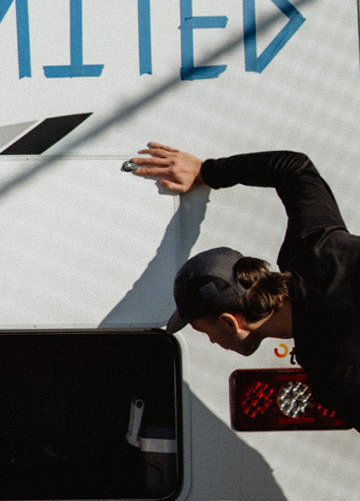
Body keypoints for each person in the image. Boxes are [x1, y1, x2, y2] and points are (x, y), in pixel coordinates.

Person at [127, 143, 360, 429]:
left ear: (229, 322)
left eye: (206, 332)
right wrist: (206, 172)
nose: (213, 342)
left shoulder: (334, 370)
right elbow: (294, 167)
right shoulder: (313, 246)